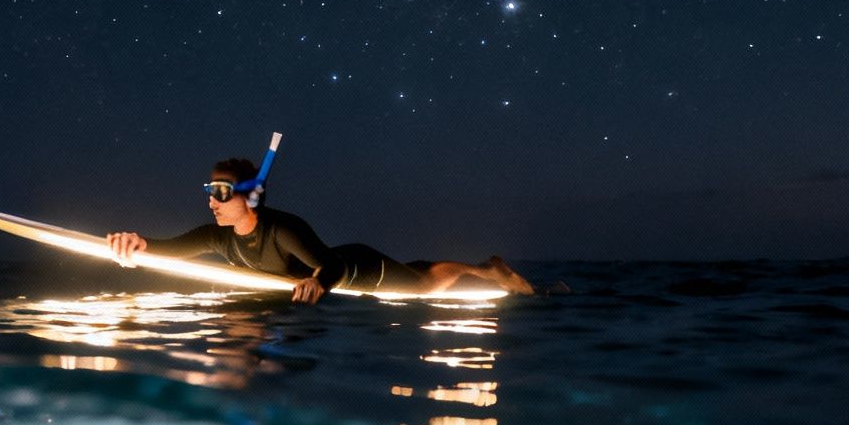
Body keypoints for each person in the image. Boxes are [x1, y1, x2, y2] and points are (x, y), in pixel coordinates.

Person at [106, 158, 535, 303]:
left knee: (422, 287)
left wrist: (318, 285)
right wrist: (138, 245)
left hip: (361, 270)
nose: (211, 201)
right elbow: (169, 250)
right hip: (340, 266)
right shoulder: (217, 236)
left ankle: (487, 272)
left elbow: (329, 265)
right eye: (209, 191)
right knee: (418, 272)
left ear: (250, 196)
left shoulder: (283, 229)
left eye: (220, 192)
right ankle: (484, 267)